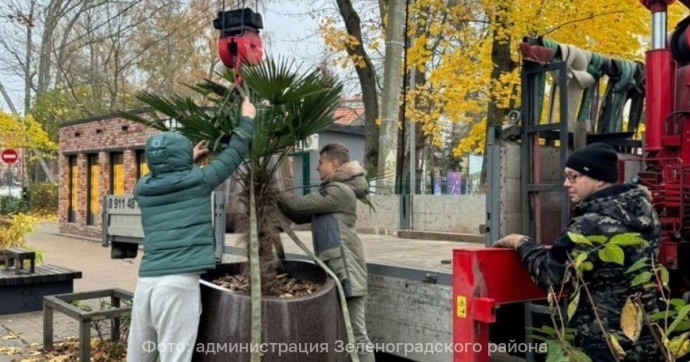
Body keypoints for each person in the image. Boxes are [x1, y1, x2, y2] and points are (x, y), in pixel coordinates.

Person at [494, 142, 661, 361]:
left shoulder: (589, 225)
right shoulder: (646, 214)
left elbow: (552, 278)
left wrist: (521, 243)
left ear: (599, 178)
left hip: (604, 343)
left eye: (574, 177)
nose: (566, 184)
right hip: (647, 337)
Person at [126, 97, 255, 362]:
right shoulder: (199, 180)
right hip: (178, 284)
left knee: (139, 356)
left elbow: (166, 176)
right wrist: (247, 120)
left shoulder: (143, 188)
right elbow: (232, 156)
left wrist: (188, 160)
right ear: (183, 156)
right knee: (176, 357)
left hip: (146, 283)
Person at [277, 143, 375, 362]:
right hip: (338, 269)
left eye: (320, 163)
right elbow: (300, 215)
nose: (317, 168)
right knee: (343, 333)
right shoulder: (333, 192)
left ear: (334, 164)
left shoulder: (339, 191)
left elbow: (298, 205)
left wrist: (271, 190)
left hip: (347, 271)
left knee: (357, 334)